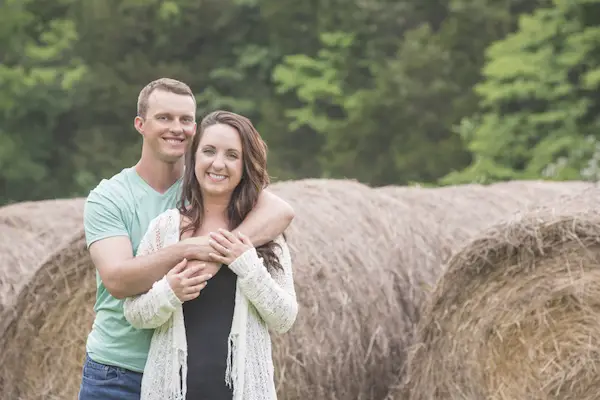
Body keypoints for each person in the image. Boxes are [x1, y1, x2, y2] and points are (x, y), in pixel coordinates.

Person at [78, 79, 295, 400]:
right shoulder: (112, 198)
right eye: (164, 118)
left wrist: (226, 256)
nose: (175, 128)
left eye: (185, 120)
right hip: (119, 368)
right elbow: (118, 282)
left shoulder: (209, 187)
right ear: (140, 124)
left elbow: (281, 210)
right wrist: (189, 250)